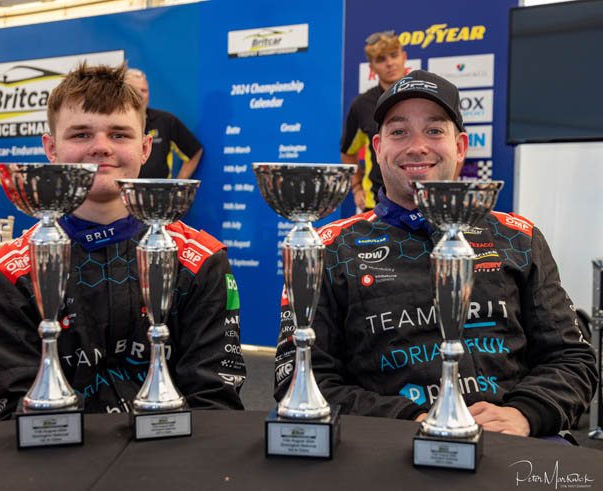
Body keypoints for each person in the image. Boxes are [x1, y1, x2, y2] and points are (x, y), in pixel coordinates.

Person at [275, 70, 597, 438]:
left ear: (460, 146)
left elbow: (573, 358)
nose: (417, 146)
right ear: (377, 149)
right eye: (399, 132)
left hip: (514, 445)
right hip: (386, 452)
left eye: (433, 130)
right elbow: (298, 379)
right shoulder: (329, 248)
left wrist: (525, 414)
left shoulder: (518, 238)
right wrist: (411, 422)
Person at [0, 63, 245, 421]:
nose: (101, 147)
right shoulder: (11, 271)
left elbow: (215, 403)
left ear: (146, 147)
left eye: (119, 134)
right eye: (81, 135)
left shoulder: (201, 260)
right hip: (58, 467)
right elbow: (13, 415)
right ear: (51, 148)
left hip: (172, 463)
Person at [341, 30, 407, 211]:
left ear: (404, 56)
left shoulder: (426, 98)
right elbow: (347, 152)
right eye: (381, 59)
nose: (389, 63)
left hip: (422, 204)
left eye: (394, 55)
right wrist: (356, 189)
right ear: (372, 68)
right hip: (376, 206)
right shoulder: (361, 105)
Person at [125, 68, 203, 179]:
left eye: (144, 90)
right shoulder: (112, 123)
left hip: (160, 195)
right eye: (135, 90)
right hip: (122, 194)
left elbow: (194, 151)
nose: (141, 96)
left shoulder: (166, 121)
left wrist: (177, 186)